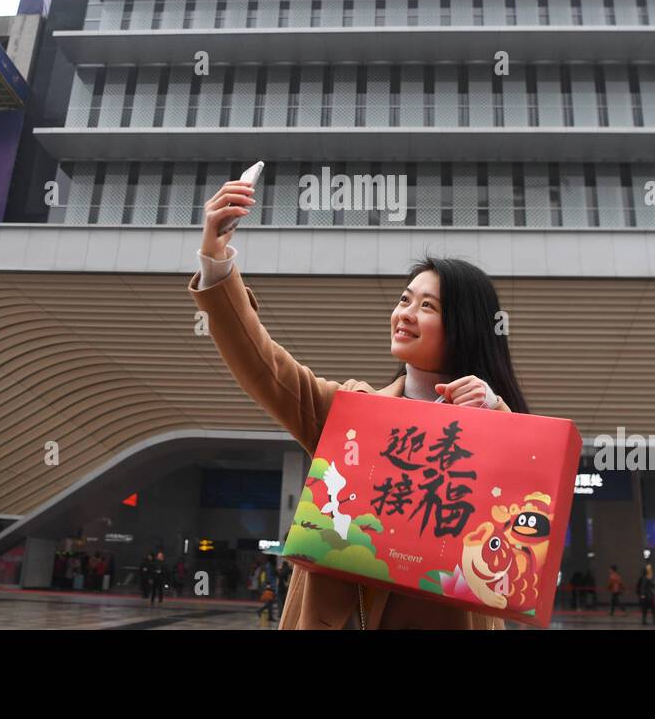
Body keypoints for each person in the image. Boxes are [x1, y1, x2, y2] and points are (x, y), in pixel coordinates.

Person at [191, 175, 530, 630]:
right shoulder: (352, 412)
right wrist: (216, 263)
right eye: (404, 299)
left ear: (464, 328)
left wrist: (495, 413)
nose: (405, 314)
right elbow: (265, 366)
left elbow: (527, 519)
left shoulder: (490, 426)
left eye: (427, 307)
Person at [257, 557, 279, 625]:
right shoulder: (269, 566)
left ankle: (269, 616)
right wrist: (268, 585)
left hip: (271, 585)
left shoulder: (270, 565)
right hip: (270, 586)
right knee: (269, 602)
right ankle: (260, 611)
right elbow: (269, 576)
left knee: (270, 602)